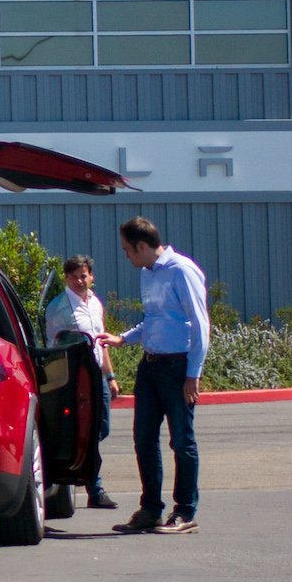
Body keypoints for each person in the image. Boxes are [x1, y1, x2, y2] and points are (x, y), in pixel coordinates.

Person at [104, 217, 209, 535]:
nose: (126, 257)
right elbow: (154, 319)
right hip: (150, 367)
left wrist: (193, 373)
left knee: (181, 441)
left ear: (142, 246)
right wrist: (123, 338)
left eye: (127, 251)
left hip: (177, 368)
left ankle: (185, 511)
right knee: (144, 438)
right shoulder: (148, 275)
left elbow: (200, 324)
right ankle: (150, 509)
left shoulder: (181, 270)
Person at [43, 254, 118, 509]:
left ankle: (80, 472)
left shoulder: (95, 303)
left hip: (96, 374)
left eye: (83, 275)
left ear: (91, 276)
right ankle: (94, 488)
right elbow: (53, 347)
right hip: (75, 378)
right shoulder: (59, 307)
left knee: (101, 428)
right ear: (66, 278)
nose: (79, 281)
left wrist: (110, 376)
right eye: (74, 276)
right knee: (84, 430)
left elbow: (101, 342)